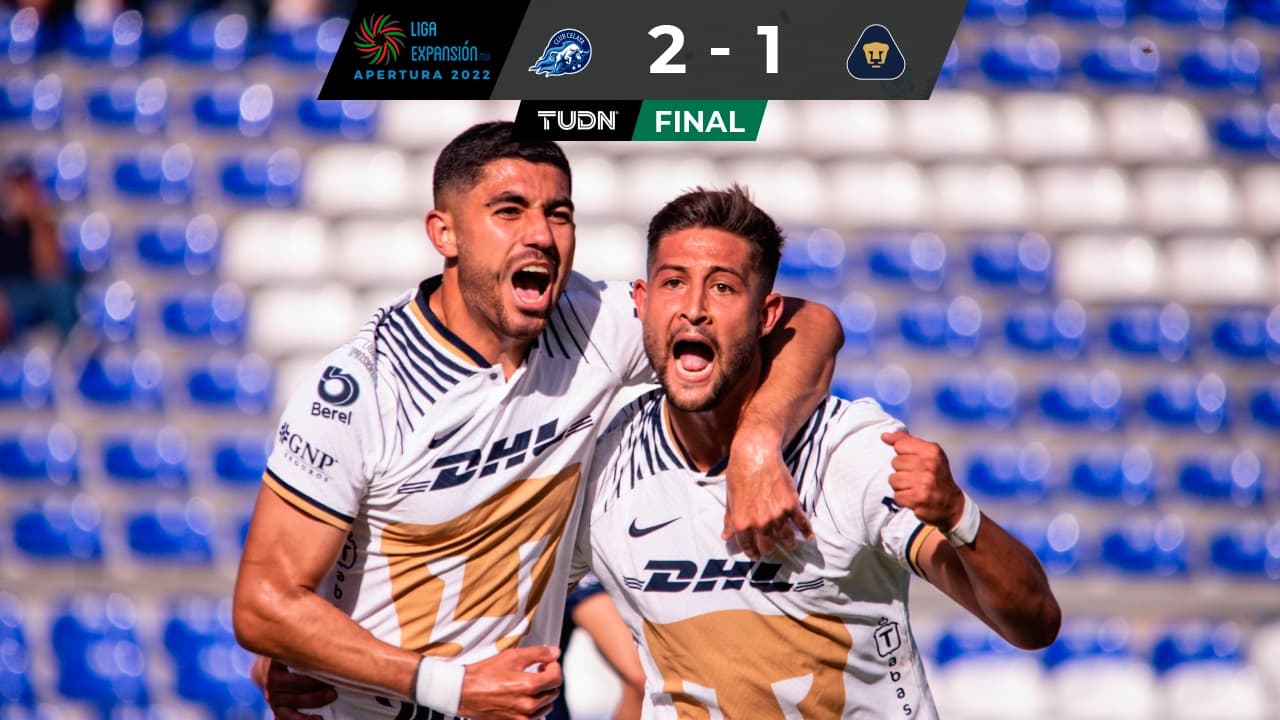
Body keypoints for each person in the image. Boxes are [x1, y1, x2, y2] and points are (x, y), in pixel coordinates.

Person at [232, 123, 844, 720]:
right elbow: (263, 604)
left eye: (559, 214)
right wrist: (448, 687)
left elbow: (809, 323)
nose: (542, 236)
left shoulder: (591, 324)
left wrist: (758, 441)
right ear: (444, 232)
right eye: (509, 211)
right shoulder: (363, 389)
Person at [580, 185, 1062, 718]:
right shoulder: (603, 466)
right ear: (642, 301)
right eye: (674, 282)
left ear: (767, 316)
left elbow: (1034, 623)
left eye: (722, 287)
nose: (694, 309)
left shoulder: (846, 452)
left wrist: (957, 514)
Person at [0, 158, 76, 346]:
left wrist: (35, 220)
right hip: (5, 291)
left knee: (59, 289)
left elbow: (48, 270)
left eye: (24, 188)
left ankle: (71, 351)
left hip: (29, 290)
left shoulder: (41, 223)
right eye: (13, 187)